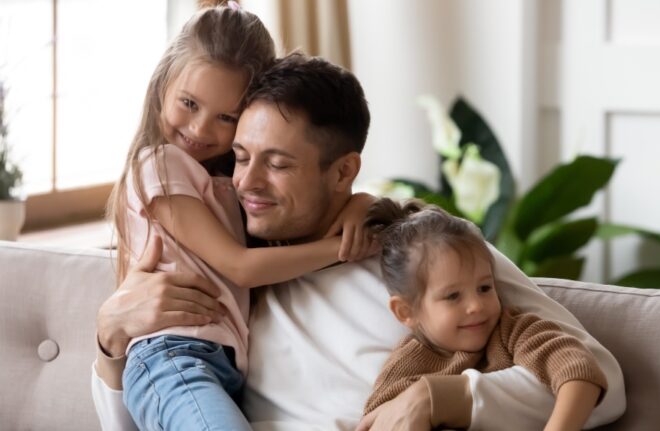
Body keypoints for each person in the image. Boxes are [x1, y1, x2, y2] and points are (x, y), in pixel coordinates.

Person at [93, 52, 627, 430]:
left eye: (278, 164)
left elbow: (600, 380)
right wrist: (112, 346)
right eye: (240, 156)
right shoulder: (225, 265)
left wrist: (435, 398)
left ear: (343, 171)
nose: (247, 183)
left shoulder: (422, 248)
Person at [105, 6, 376, 430]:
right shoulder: (158, 164)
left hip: (221, 365)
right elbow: (240, 266)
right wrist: (341, 250)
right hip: (173, 357)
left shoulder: (228, 185)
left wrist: (362, 205)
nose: (199, 129)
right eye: (189, 103)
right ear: (163, 85)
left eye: (226, 117)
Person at [361, 198, 607, 430]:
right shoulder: (402, 374)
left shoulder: (515, 332)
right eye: (453, 296)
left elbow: (580, 372)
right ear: (406, 311)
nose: (476, 306)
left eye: (484, 288)